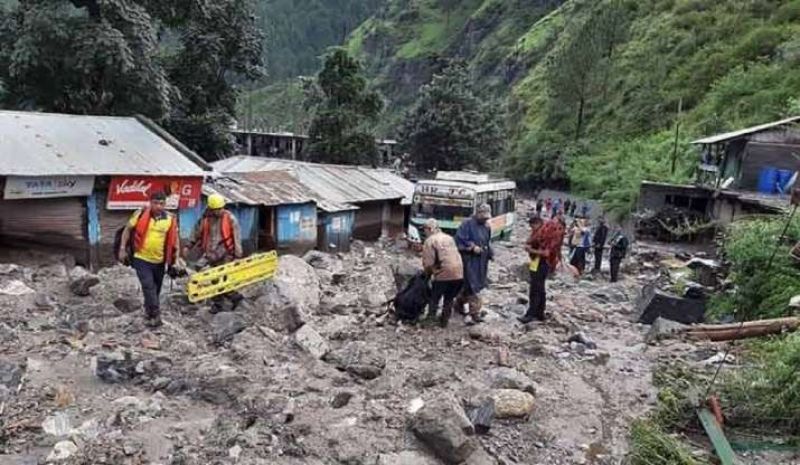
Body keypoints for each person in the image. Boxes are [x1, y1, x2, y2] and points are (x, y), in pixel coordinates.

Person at [118, 192, 180, 328]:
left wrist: (176, 260)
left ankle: (148, 311)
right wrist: (122, 249)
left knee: (155, 289)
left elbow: (175, 241)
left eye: (161, 203)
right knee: (148, 286)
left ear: (165, 204)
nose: (158, 206)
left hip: (159, 260)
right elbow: (127, 230)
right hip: (141, 258)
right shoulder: (140, 214)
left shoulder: (170, 219)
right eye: (155, 203)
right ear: (150, 203)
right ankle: (156, 315)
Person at [185, 194, 244, 312]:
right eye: (217, 209)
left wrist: (238, 255)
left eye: (221, 208)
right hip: (211, 253)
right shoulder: (205, 219)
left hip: (226, 253)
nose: (219, 211)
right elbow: (196, 233)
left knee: (222, 279)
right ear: (211, 209)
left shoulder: (230, 219)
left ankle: (230, 299)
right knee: (214, 279)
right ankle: (222, 302)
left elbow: (237, 238)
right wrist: (188, 245)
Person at [454, 203, 494, 325]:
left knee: (475, 285)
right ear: (478, 213)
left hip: (481, 261)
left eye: (486, 217)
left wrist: (490, 253)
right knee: (470, 285)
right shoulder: (466, 224)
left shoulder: (487, 226)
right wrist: (471, 247)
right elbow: (459, 239)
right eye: (483, 217)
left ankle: (461, 306)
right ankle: (471, 312)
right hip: (468, 260)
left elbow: (488, 242)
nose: (485, 219)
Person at [421, 219, 464, 327]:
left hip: (443, 273)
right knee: (449, 298)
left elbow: (429, 262)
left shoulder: (430, 241)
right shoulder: (449, 238)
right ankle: (444, 321)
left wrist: (427, 275)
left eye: (425, 230)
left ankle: (430, 320)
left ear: (430, 229)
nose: (424, 232)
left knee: (434, 298)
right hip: (459, 273)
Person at [518, 216, 561, 323]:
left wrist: (531, 250)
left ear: (537, 223)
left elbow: (546, 253)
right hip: (541, 264)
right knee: (541, 289)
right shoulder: (542, 233)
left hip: (541, 264)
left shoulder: (545, 235)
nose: (532, 229)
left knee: (535, 290)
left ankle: (530, 315)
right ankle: (540, 313)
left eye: (532, 227)